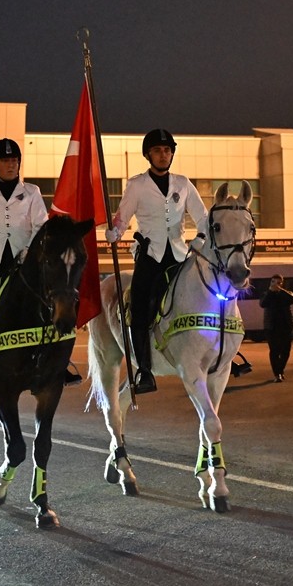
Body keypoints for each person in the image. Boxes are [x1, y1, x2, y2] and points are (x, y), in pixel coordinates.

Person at [0, 138, 80, 391]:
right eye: (5, 160)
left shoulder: (32, 192)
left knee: (59, 296)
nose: (11, 165)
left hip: (26, 263)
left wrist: (29, 250)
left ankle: (60, 362)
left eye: (14, 160)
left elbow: (41, 226)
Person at [105, 128, 209, 394]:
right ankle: (144, 370)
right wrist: (115, 232)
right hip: (150, 255)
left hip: (179, 255)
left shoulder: (183, 184)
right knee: (140, 306)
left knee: (208, 293)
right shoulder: (137, 185)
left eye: (167, 150)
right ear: (148, 155)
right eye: (157, 151)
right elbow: (122, 217)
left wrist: (200, 238)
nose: (163, 155)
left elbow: (203, 218)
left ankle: (223, 351)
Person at [260, 273, 293, 382]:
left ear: (282, 284)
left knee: (285, 351)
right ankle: (277, 374)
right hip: (271, 327)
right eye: (273, 282)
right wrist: (271, 292)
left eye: (278, 283)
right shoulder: (266, 294)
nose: (275, 284)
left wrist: (280, 290)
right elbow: (263, 304)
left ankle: (280, 370)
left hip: (286, 327)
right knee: (274, 351)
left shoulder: (286, 294)